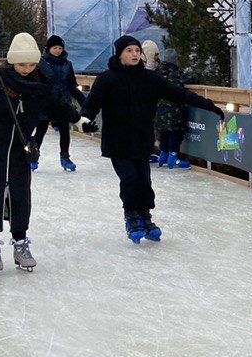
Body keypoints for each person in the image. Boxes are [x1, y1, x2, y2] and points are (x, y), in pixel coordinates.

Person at [80, 35, 225, 243]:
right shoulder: (107, 79)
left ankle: (145, 217)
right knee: (130, 179)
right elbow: (90, 106)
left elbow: (180, 94)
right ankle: (131, 216)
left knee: (144, 181)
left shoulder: (150, 79)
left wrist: (209, 105)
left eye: (137, 51)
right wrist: (85, 121)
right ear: (120, 54)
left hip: (142, 140)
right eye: (129, 51)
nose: (135, 54)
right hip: (117, 142)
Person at [0, 34, 82, 271]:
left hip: (21, 150)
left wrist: (78, 119)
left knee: (21, 196)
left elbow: (58, 105)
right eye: (22, 64)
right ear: (12, 62)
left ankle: (21, 243)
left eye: (31, 64)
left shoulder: (40, 85)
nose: (27, 69)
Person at [32, 34, 87, 172]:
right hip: (46, 103)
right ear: (49, 48)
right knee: (41, 130)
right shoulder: (41, 64)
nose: (57, 50)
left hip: (63, 103)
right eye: (55, 47)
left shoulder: (67, 64)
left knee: (64, 131)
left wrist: (84, 101)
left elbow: (72, 85)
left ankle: (65, 157)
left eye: (60, 48)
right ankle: (33, 155)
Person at [154, 48, 193, 169]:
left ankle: (163, 156)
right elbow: (191, 80)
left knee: (164, 132)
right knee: (174, 132)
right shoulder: (176, 73)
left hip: (159, 110)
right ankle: (173, 157)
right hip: (174, 110)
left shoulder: (156, 73)